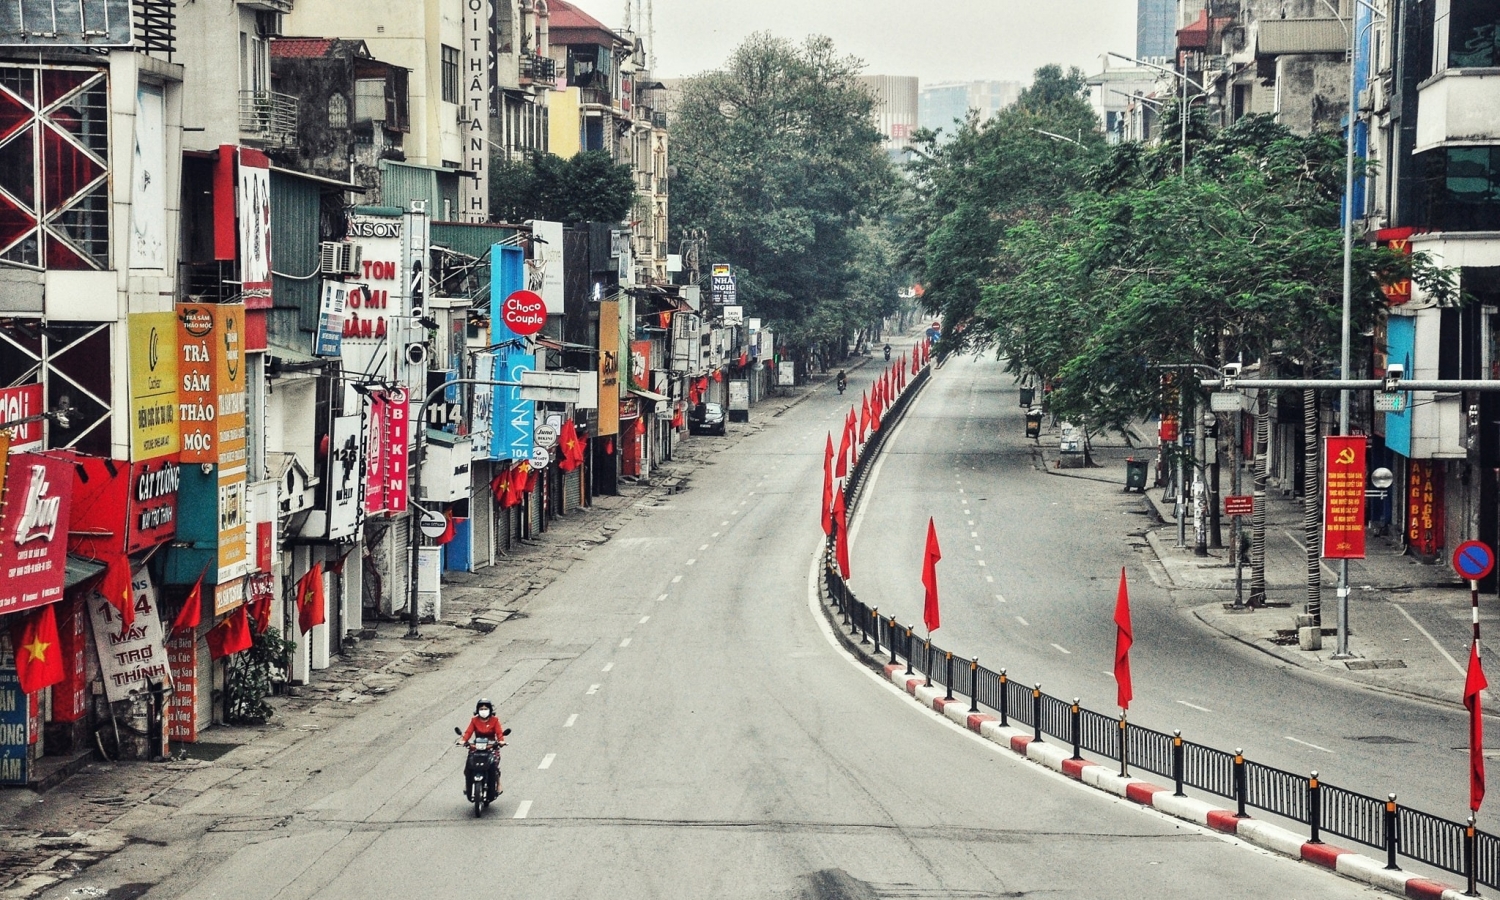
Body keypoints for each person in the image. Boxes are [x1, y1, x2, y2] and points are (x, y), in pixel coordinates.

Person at [458, 698, 506, 795]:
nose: (483, 710)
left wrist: (501, 741)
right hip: (476, 747)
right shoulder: (474, 720)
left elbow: (499, 733)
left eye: (485, 708)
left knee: (494, 765)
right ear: (477, 710)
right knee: (468, 765)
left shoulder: (495, 720)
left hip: (491, 746)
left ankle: (498, 783)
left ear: (490, 710)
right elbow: (468, 732)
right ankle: (468, 783)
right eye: (481, 708)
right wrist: (463, 741)